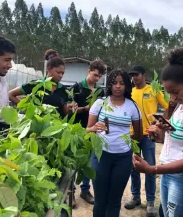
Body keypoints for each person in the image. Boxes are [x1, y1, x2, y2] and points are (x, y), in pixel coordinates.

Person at [133, 48, 183, 217]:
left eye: (175, 92)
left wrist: (152, 169)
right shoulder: (181, 106)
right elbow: (176, 140)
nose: (172, 97)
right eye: (168, 92)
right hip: (169, 175)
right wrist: (159, 135)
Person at [87, 68, 143, 217]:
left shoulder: (132, 106)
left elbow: (138, 135)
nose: (118, 86)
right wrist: (93, 128)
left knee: (114, 200)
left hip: (123, 158)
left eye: (122, 83)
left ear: (127, 86)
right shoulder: (100, 103)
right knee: (100, 200)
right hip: (100, 157)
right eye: (114, 83)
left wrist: (131, 150)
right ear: (109, 85)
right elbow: (87, 130)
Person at [125, 65, 168, 216]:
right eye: (132, 75)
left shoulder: (153, 90)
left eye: (136, 75)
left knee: (150, 167)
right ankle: (135, 197)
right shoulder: (129, 92)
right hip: (133, 135)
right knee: (134, 166)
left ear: (144, 75)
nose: (134, 78)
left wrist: (158, 124)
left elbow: (168, 106)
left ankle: (150, 201)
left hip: (148, 136)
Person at [70, 59, 107, 206]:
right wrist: (87, 108)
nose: (96, 78)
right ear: (89, 70)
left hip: (93, 132)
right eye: (95, 74)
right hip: (78, 130)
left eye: (99, 77)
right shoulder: (77, 88)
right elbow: (71, 109)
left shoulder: (100, 91)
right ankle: (70, 192)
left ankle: (85, 190)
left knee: (89, 162)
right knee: (73, 162)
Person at [9, 49, 73, 118]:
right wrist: (26, 108)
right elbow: (10, 94)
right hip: (36, 125)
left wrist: (70, 109)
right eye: (58, 72)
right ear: (49, 69)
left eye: (62, 73)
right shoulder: (36, 85)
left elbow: (65, 112)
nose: (60, 76)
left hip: (56, 126)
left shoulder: (63, 90)